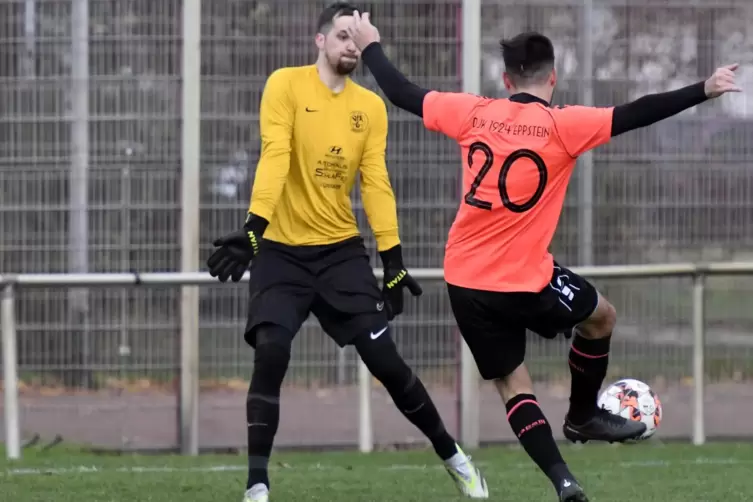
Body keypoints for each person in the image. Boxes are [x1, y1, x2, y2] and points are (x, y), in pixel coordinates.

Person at [345, 12, 741, 502]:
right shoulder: (565, 125)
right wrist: (703, 88)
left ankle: (564, 480)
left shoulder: (471, 112)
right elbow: (638, 111)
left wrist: (371, 46)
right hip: (525, 277)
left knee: (514, 385)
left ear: (507, 80)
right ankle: (582, 416)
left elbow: (401, 92)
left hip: (466, 278)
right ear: (552, 77)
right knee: (601, 318)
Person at [206, 3, 489, 502]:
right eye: (341, 35)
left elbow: (376, 182)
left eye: (358, 37)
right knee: (271, 352)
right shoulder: (285, 85)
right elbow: (275, 155)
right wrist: (254, 230)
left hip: (340, 253)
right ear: (320, 41)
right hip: (281, 252)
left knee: (386, 361)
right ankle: (256, 485)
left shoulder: (371, 107)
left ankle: (454, 457)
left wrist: (394, 261)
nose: (350, 46)